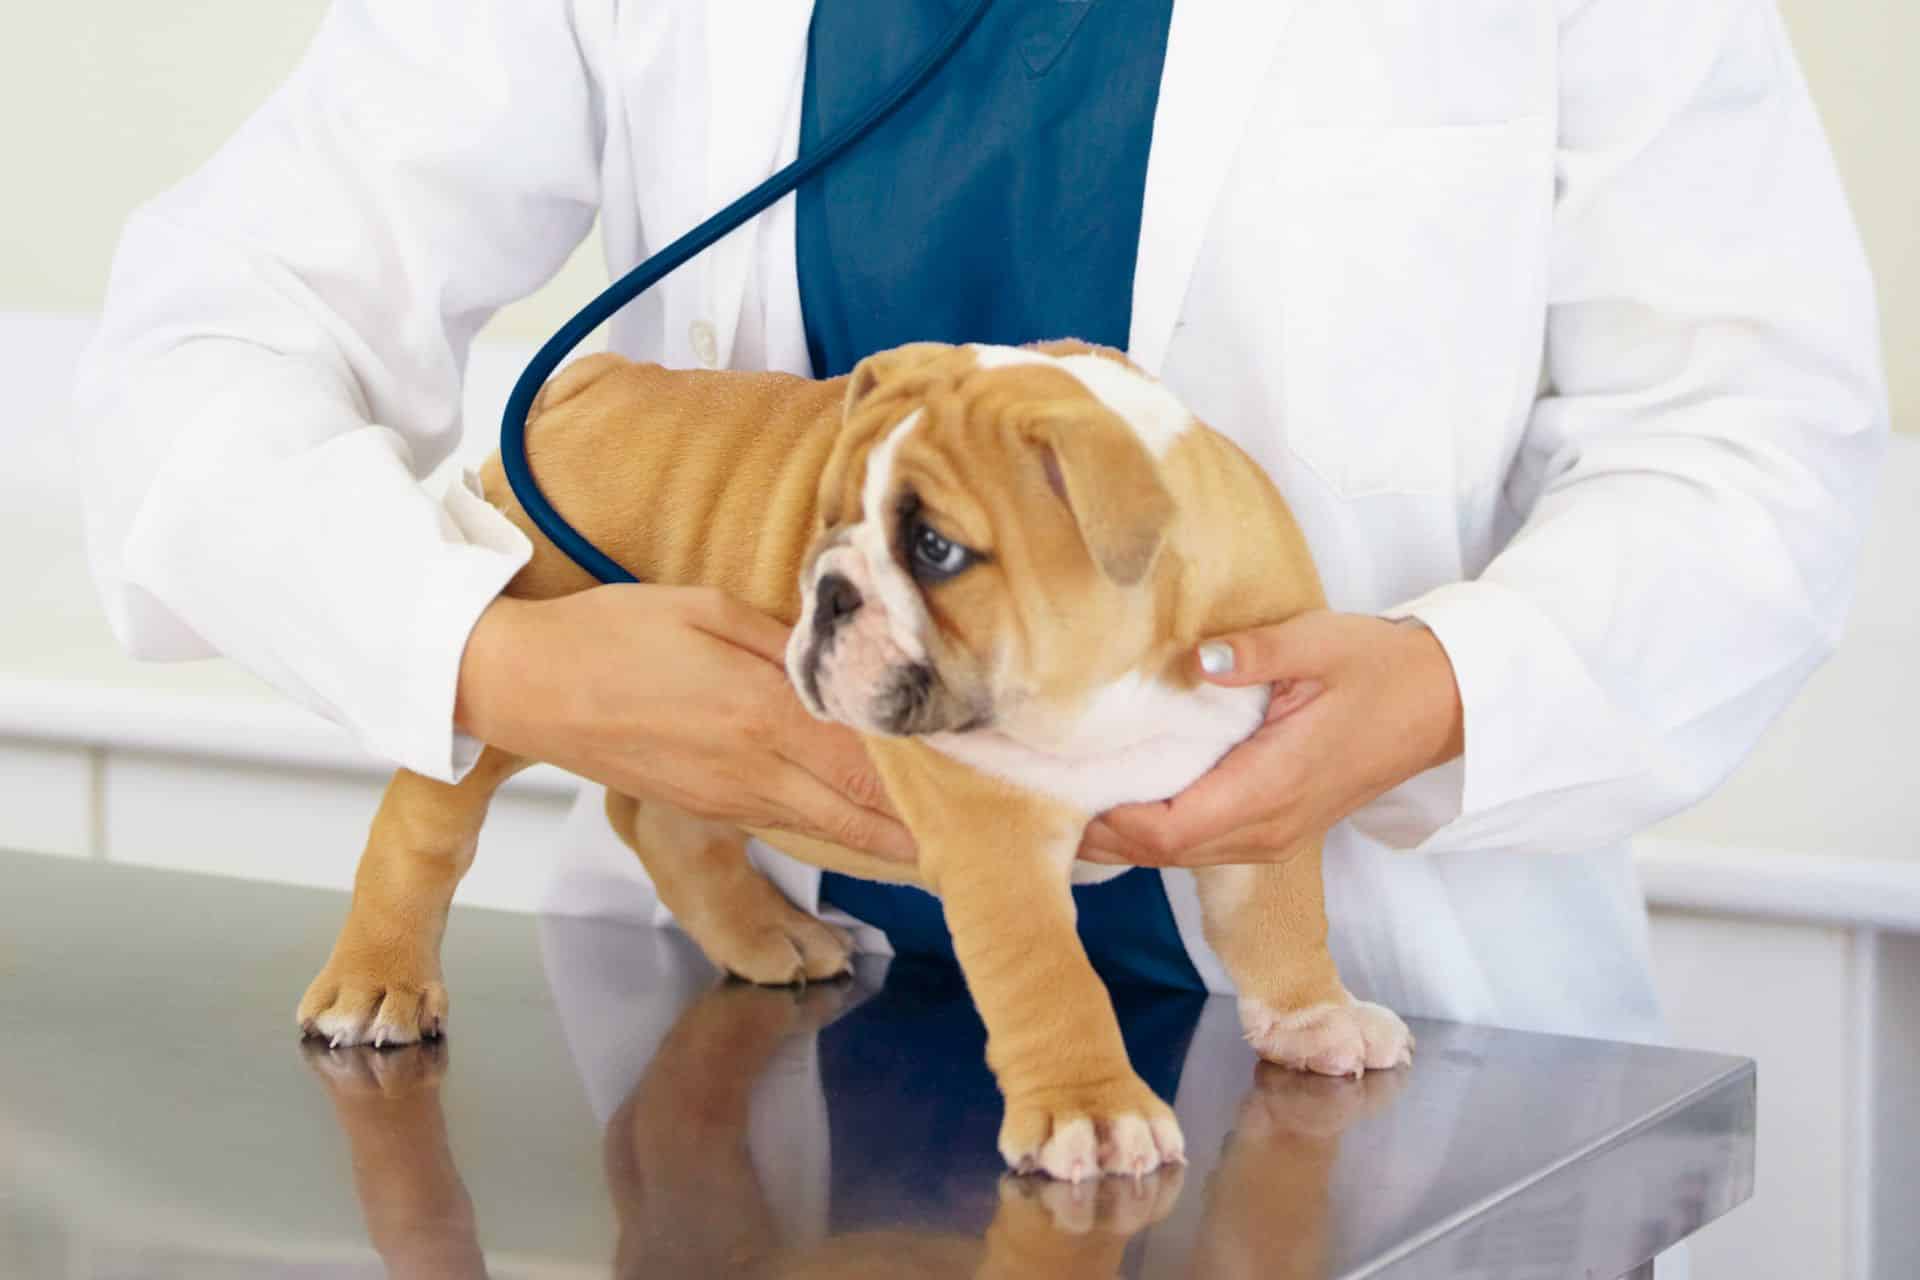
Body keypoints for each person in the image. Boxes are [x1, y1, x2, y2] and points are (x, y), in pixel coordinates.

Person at [80, 0, 1885, 1051]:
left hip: (1381, 1046)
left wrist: (1451, 691)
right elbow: (211, 331)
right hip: (745, 1044)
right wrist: (482, 654)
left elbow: (1750, 438)